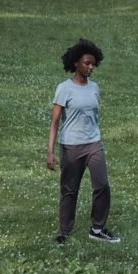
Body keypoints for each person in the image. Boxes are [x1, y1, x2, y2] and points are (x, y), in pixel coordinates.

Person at [45, 39, 120, 244]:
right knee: (69, 189)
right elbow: (55, 122)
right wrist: (50, 151)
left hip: (93, 143)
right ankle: (64, 232)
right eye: (87, 63)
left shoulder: (94, 88)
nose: (91, 67)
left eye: (93, 64)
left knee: (102, 185)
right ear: (76, 63)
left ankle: (97, 229)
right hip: (70, 146)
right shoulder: (64, 89)